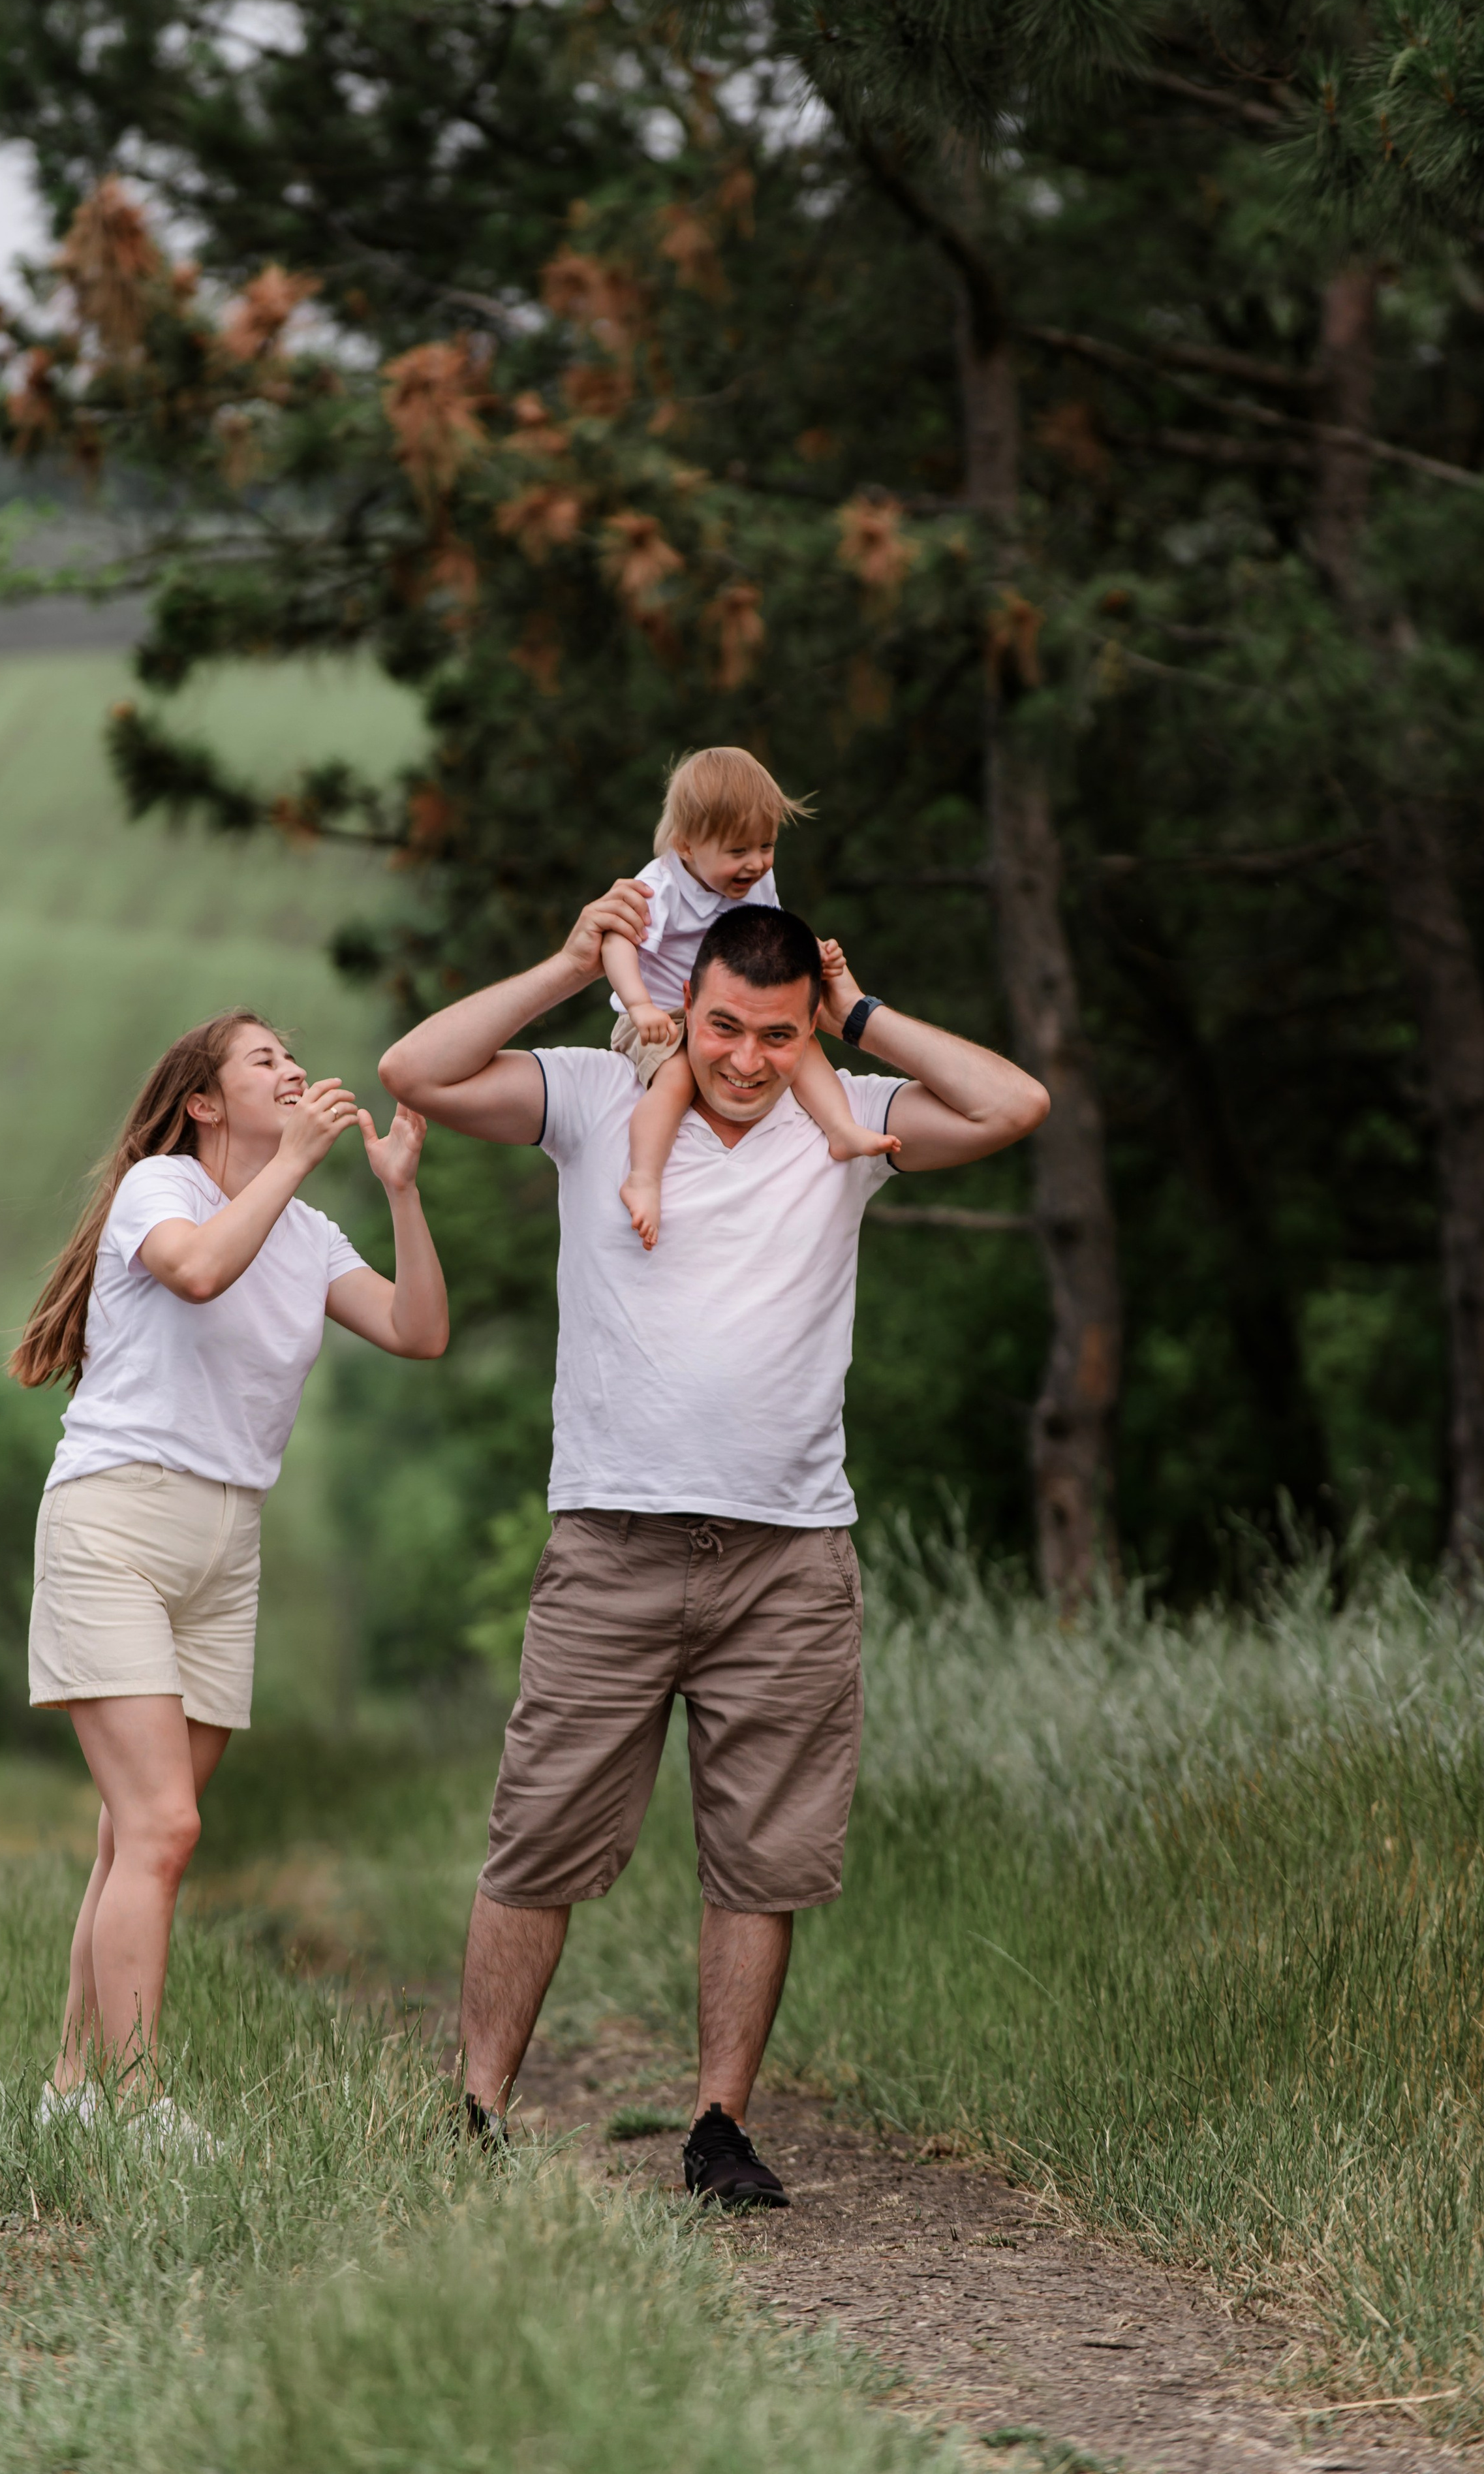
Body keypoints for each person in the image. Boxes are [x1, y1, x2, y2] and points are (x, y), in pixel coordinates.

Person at [379, 886, 1047, 2207]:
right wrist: (572, 960)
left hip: (789, 1556)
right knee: (539, 1833)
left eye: (777, 1036)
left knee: (760, 1854)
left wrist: (859, 1016)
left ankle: (717, 2126)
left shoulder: (842, 1123)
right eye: (724, 1028)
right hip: (611, 1537)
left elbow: (1012, 1104)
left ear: (807, 1029)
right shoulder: (589, 1096)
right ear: (684, 1007)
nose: (746, 1060)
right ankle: (473, 2107)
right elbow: (417, 1069)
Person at [12, 1010, 448, 2146]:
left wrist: (398, 1190)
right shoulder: (163, 1191)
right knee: (162, 1827)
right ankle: (141, 2104)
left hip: (225, 1541)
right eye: (265, 1060)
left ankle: (70, 2092)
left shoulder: (308, 1231)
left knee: (132, 1837)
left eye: (293, 1057)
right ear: (204, 1101)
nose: (294, 1068)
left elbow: (417, 1328)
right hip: (117, 1516)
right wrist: (300, 1153)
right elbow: (200, 1273)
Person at [602, 747, 898, 1249]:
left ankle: (842, 1129)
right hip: (661, 1016)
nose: (756, 863)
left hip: (734, 1010)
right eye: (738, 851)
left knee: (803, 1047)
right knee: (674, 1079)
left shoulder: (757, 881)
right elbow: (616, 942)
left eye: (766, 845)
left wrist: (812, 956)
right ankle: (644, 1178)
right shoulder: (661, 886)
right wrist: (639, 1006)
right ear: (687, 846)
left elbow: (773, 932)